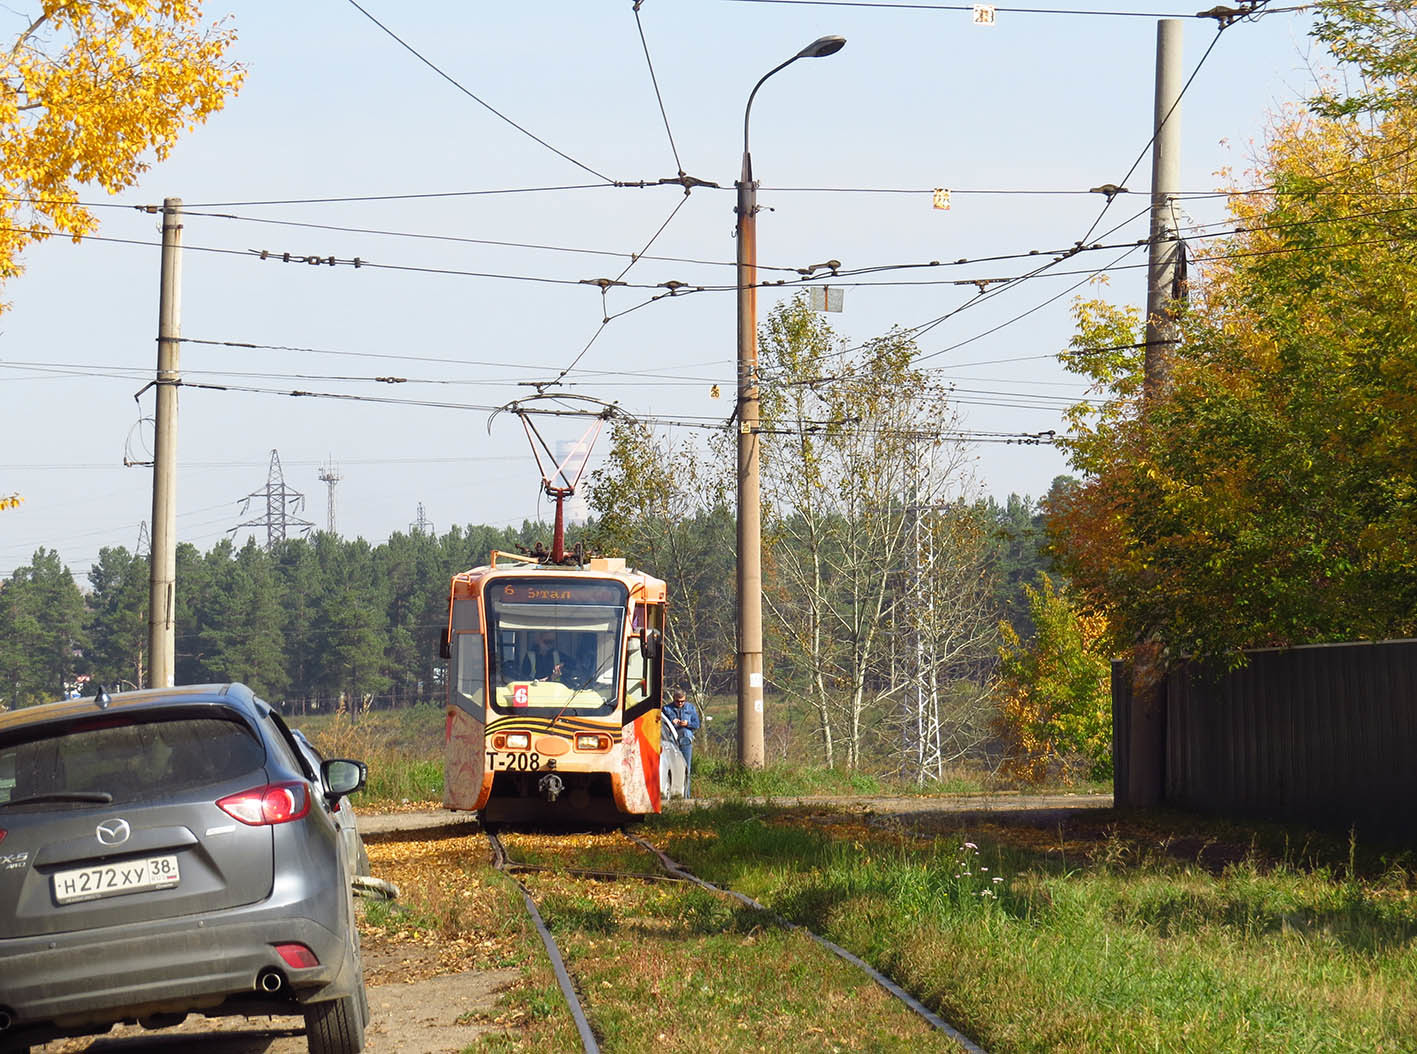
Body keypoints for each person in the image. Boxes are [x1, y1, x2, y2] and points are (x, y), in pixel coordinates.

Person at [663, 688, 700, 797]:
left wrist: (687, 723)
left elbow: (696, 724)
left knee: (686, 768)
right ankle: (673, 794)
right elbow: (661, 725)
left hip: (685, 740)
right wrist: (671, 722)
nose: (680, 704)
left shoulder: (690, 708)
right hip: (671, 742)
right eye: (677, 701)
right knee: (671, 768)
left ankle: (686, 795)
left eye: (682, 701)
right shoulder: (666, 709)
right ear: (673, 699)